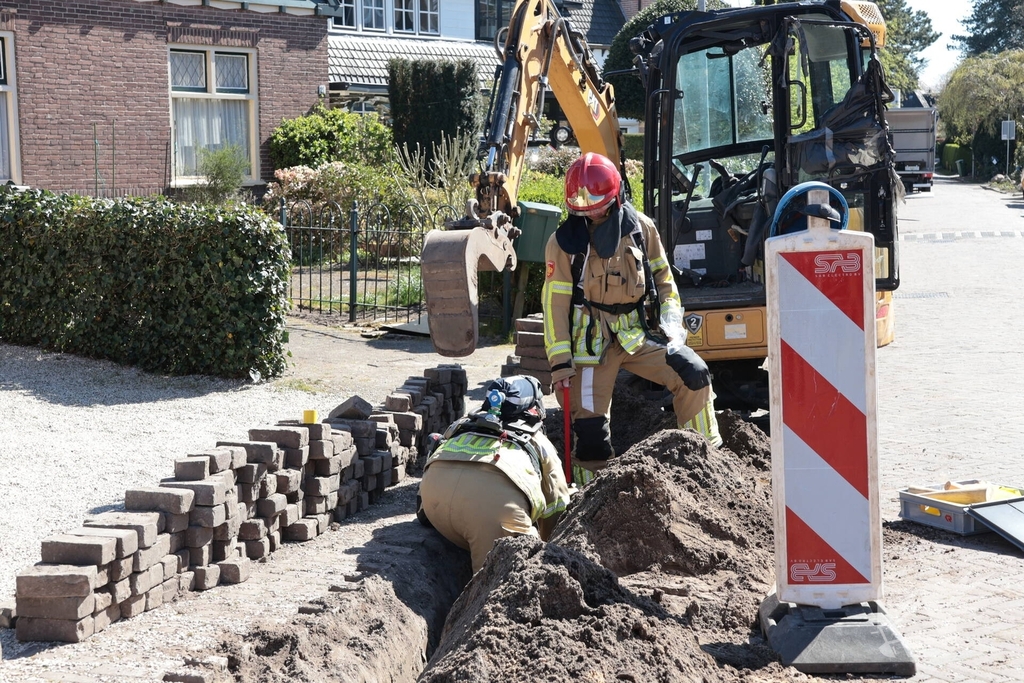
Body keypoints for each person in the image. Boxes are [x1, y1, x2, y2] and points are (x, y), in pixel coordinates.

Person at [541, 152, 722, 486]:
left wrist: (672, 328)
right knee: (591, 435)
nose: (591, 212)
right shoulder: (563, 244)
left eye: (597, 204)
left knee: (694, 374)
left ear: (615, 196)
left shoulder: (641, 228)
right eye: (583, 207)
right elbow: (554, 304)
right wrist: (560, 363)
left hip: (639, 336)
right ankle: (590, 495)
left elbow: (665, 282)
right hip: (589, 348)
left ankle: (707, 465)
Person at [417, 376, 571, 573]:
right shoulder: (538, 440)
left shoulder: (463, 423)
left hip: (434, 506)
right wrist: (550, 542)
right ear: (534, 409)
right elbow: (556, 505)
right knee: (492, 582)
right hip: (492, 518)